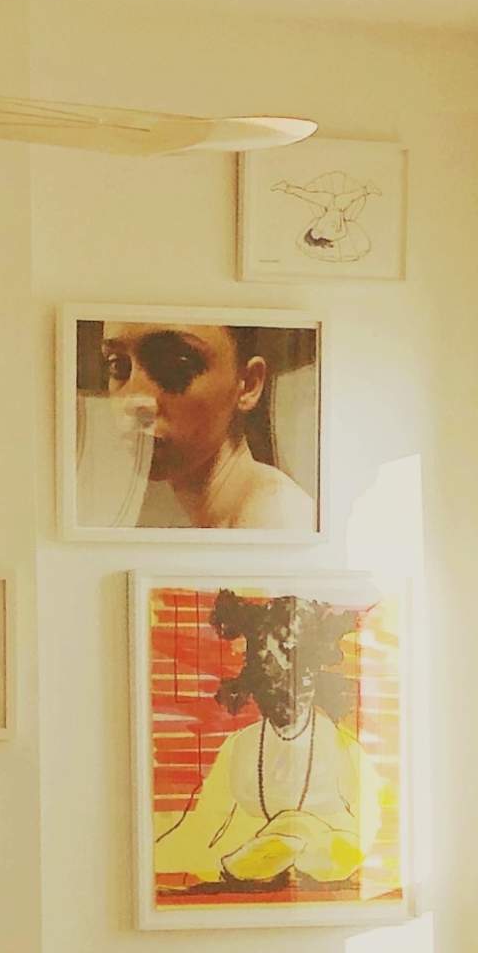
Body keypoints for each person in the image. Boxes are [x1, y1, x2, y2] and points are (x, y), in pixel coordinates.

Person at [152, 592, 387, 894]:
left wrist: (307, 834)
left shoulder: (345, 750)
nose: (278, 678)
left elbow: (377, 840)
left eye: (291, 663)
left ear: (314, 671)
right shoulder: (240, 747)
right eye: (266, 663)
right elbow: (198, 830)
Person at [92, 317, 315, 530]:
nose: (134, 402)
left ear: (248, 384)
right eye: (118, 366)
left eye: (175, 365)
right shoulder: (218, 517)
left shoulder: (278, 520)